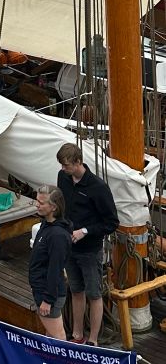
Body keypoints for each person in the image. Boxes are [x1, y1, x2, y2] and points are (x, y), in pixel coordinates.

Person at [56, 142, 119, 346]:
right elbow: (61, 205)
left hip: (90, 250)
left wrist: (84, 232)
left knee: (94, 293)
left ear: (78, 162)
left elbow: (111, 223)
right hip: (69, 247)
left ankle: (93, 340)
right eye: (62, 165)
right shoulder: (63, 178)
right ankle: (77, 335)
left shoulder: (98, 188)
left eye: (66, 165)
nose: (63, 169)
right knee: (75, 289)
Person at [29, 185, 72, 340]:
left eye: (41, 203)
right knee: (51, 334)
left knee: (58, 335)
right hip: (41, 288)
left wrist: (48, 300)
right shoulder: (46, 226)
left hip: (48, 293)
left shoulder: (57, 235)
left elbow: (55, 268)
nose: (37, 205)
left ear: (53, 207)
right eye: (37, 201)